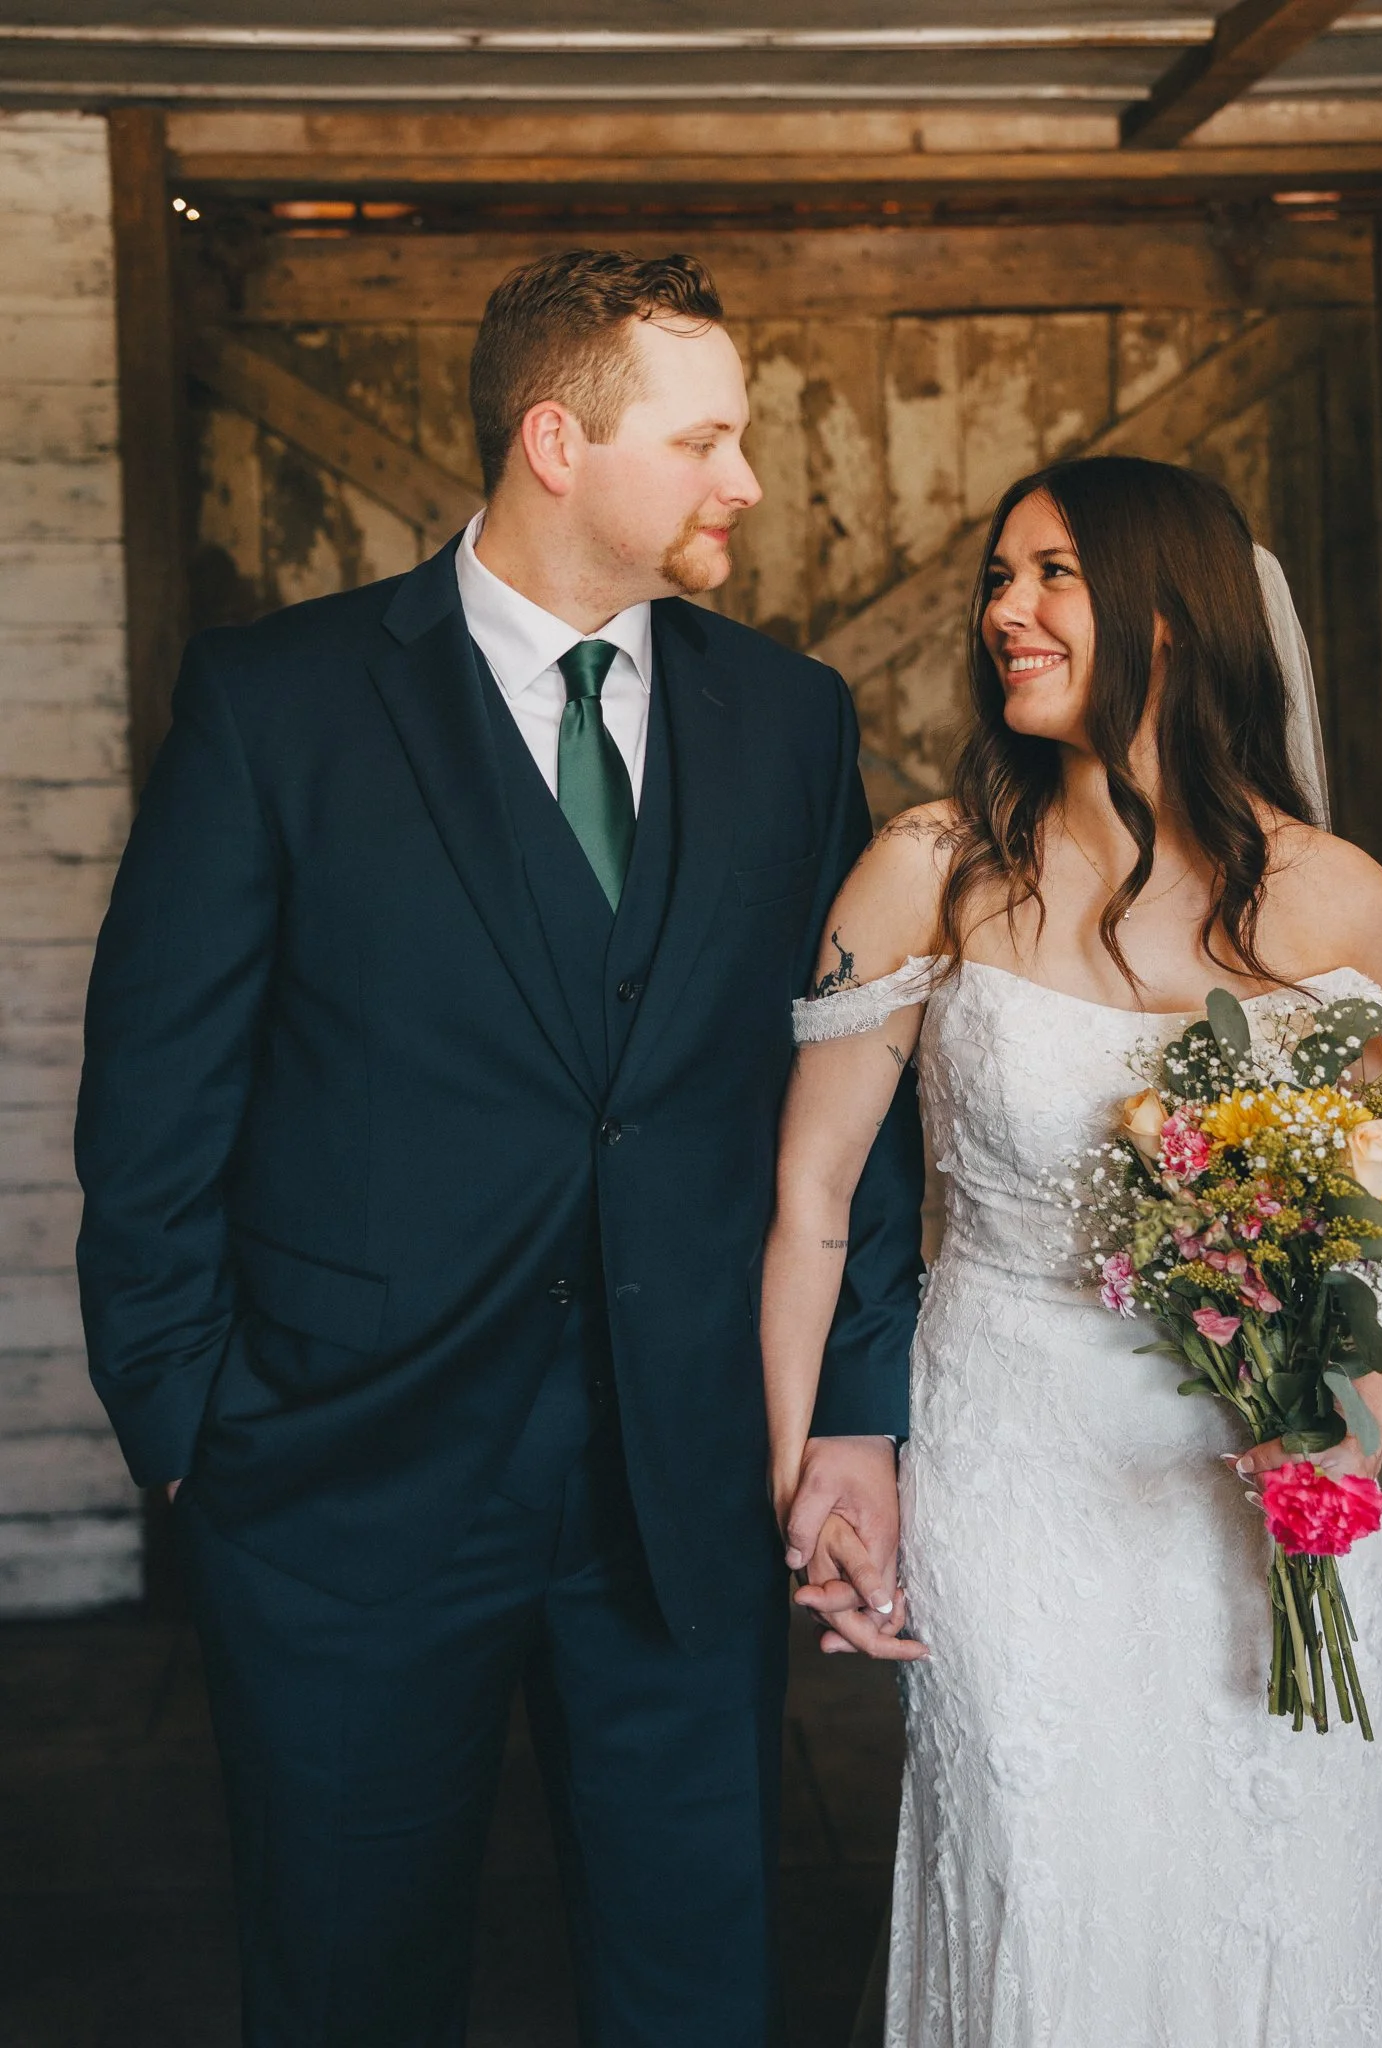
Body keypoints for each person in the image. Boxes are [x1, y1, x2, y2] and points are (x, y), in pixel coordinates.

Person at [75, 249, 924, 2048]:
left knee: (695, 1987)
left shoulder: (788, 721)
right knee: (345, 1983)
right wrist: (191, 1435)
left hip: (687, 1474)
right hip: (338, 1488)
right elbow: (156, 1101)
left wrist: (853, 1411)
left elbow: (855, 1102)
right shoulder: (277, 704)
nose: (745, 483)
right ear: (557, 440)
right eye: (705, 441)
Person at [762, 456, 1382, 2044]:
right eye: (998, 578)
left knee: (1291, 1858)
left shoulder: (1337, 899)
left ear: (1168, 610)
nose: (1005, 611)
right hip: (1015, 1457)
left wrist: (1351, 1428)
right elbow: (805, 1197)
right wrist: (802, 1477)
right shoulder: (931, 868)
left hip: (1259, 1479)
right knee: (1038, 1852)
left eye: (1051, 574)